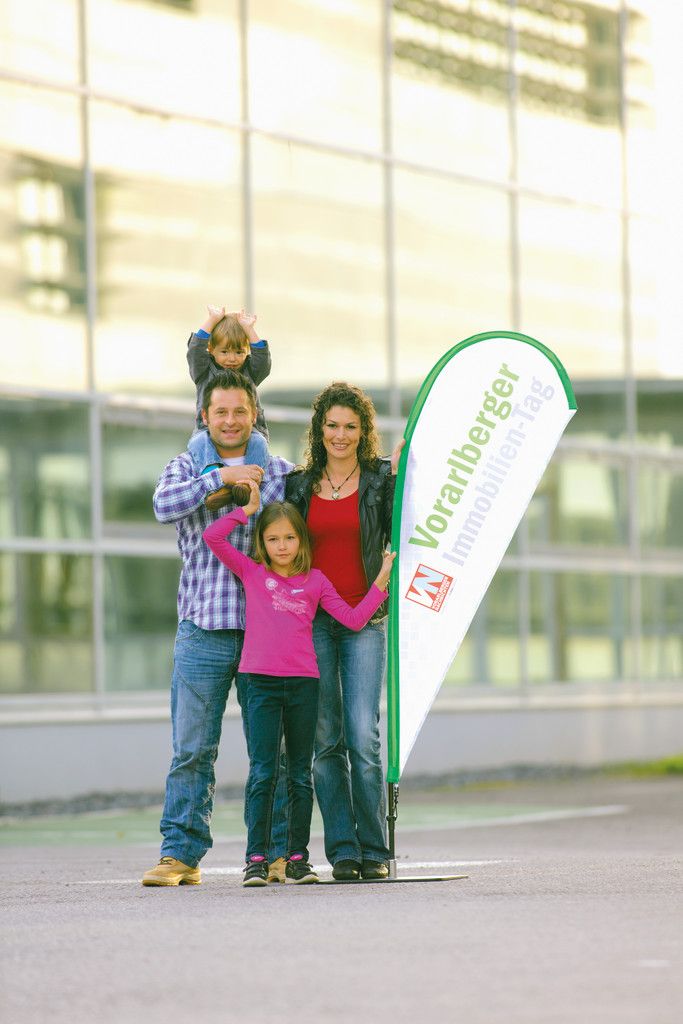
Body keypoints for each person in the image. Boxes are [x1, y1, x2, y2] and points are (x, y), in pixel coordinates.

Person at [141, 369, 292, 887]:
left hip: (265, 636)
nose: (230, 421)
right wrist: (221, 479)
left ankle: (272, 855)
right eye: (220, 412)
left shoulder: (279, 473)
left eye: (240, 412)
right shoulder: (184, 466)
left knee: (268, 752)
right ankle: (181, 855)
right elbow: (163, 506)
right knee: (192, 750)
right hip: (201, 631)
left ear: (254, 416)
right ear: (205, 417)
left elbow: (331, 491)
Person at [203, 482, 396, 886]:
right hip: (259, 684)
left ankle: (297, 858)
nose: (282, 545)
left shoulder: (316, 582)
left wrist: (380, 582)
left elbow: (354, 620)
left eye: (290, 537)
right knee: (263, 772)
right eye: (273, 539)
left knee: (299, 775)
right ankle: (256, 858)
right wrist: (248, 508)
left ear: (301, 540)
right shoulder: (252, 572)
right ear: (262, 543)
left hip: (304, 685)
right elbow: (212, 536)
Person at [286, 382, 403, 881]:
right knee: (326, 740)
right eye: (331, 425)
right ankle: (343, 850)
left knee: (363, 736)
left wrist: (405, 470)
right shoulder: (299, 486)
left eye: (350, 426)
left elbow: (406, 523)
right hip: (312, 625)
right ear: (319, 429)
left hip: (365, 621)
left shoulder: (379, 480)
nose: (340, 434)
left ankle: (374, 849)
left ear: (363, 431)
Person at [186, 305, 271, 492]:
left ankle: (248, 486)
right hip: (207, 430)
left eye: (239, 352)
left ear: (247, 351)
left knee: (260, 443)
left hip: (250, 431)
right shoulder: (203, 371)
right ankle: (214, 480)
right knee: (198, 443)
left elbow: (263, 362)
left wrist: (249, 329)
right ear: (211, 349)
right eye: (225, 352)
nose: (232, 359)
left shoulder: (250, 371)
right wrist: (212, 320)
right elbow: (195, 350)